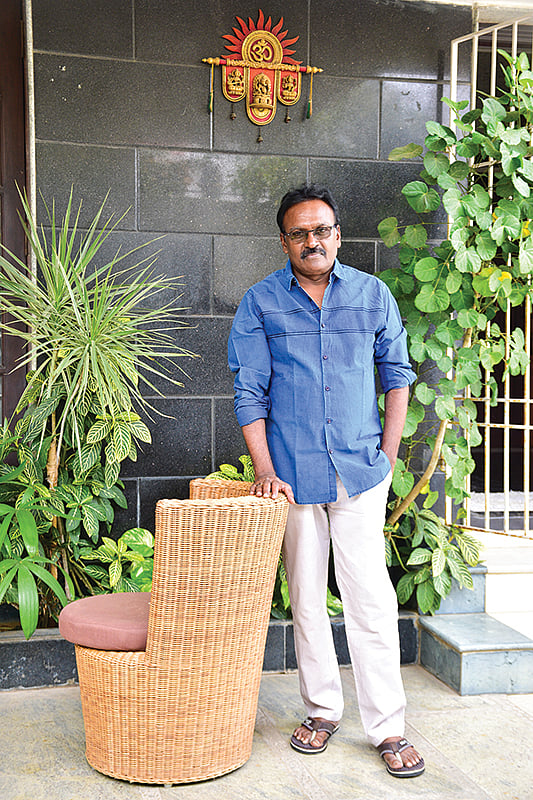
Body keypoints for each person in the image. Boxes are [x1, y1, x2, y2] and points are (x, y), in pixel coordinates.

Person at [227, 183, 424, 778]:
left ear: (337, 234)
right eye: (300, 233)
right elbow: (249, 392)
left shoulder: (372, 294)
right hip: (291, 476)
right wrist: (265, 470)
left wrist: (388, 455)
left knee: (371, 599)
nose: (312, 241)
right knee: (308, 599)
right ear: (283, 240)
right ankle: (322, 710)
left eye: (321, 230)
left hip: (361, 472)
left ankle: (387, 727)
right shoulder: (261, 303)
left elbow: (397, 375)